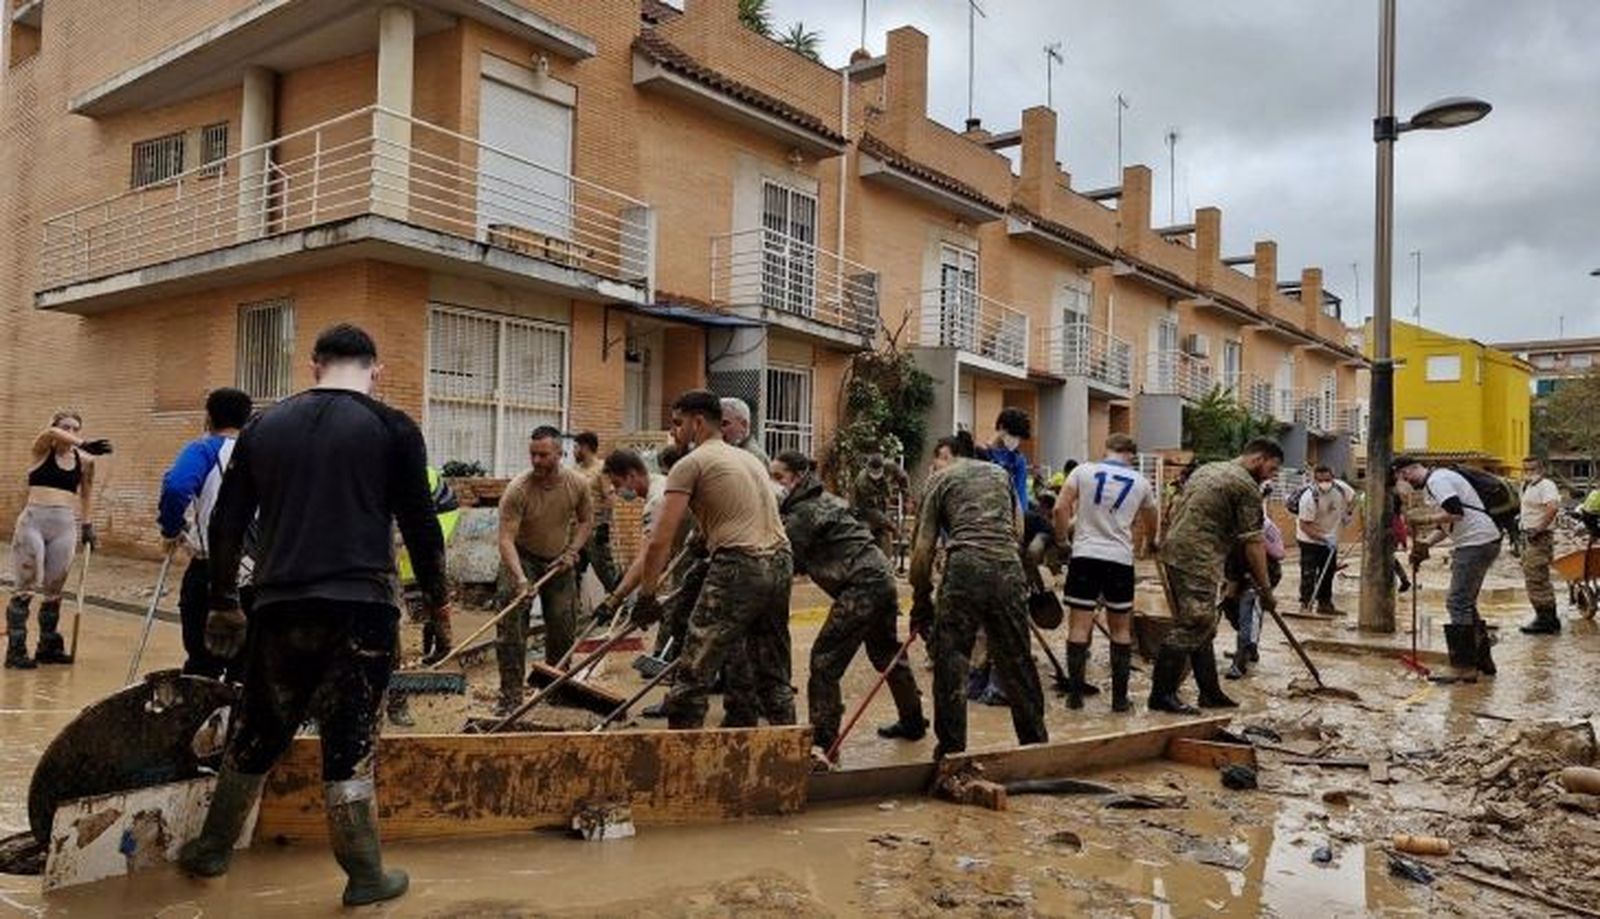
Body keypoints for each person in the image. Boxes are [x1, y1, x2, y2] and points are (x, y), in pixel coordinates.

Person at [182, 324, 447, 906]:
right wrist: (437, 606)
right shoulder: (393, 427)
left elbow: (226, 522)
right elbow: (422, 527)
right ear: (374, 369)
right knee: (349, 741)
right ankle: (365, 875)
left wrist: (224, 601)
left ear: (313, 366)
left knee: (258, 730)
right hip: (362, 610)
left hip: (278, 605)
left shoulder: (263, 426)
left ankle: (212, 851)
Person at [633, 391, 794, 730]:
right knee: (772, 670)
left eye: (678, 424)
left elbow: (659, 540)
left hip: (740, 564)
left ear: (697, 422)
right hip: (780, 562)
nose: (674, 432)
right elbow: (711, 530)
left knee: (693, 671)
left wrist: (646, 597)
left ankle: (682, 765)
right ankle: (785, 755)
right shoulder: (749, 459)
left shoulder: (689, 464)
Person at [771, 451, 925, 760]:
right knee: (887, 653)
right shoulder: (825, 500)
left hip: (861, 585)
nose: (774, 484)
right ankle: (913, 723)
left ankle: (824, 745)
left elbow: (784, 561)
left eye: (779, 477)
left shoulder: (803, 513)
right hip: (880, 577)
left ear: (798, 477)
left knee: (824, 662)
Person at [908, 438, 1048, 759]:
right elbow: (1018, 528)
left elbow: (922, 550)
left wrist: (921, 600)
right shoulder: (1000, 475)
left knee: (951, 660)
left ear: (947, 456)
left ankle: (952, 752)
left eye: (936, 460)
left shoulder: (940, 480)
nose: (933, 467)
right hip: (1007, 566)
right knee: (1017, 659)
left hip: (965, 566)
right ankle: (1036, 746)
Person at [1153, 439, 1283, 714]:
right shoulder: (1245, 486)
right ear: (1258, 459)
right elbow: (1253, 543)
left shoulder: (1208, 469)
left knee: (1204, 625)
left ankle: (1210, 692)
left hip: (1176, 551)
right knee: (1195, 624)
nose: (1273, 475)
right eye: (1272, 468)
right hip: (1197, 558)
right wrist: (1266, 589)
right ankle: (1161, 695)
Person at [1054, 433, 1159, 713]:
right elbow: (1152, 518)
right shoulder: (1141, 482)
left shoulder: (1083, 471)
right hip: (1120, 560)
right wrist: (1151, 541)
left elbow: (1060, 507)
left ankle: (1074, 697)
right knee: (1121, 630)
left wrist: (1063, 540)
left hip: (1085, 556)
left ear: (1107, 449)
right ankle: (1119, 701)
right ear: (1131, 455)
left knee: (1078, 627)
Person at [494, 426, 593, 713]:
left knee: (563, 626)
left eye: (543, 455)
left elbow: (586, 520)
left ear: (560, 454)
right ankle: (510, 696)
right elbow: (505, 539)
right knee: (511, 629)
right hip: (520, 559)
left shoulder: (577, 484)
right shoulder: (518, 489)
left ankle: (555, 689)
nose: (536, 461)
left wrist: (573, 551)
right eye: (532, 454)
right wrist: (522, 579)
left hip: (559, 561)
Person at [157, 388, 253, 680]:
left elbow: (176, 487)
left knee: (203, 659)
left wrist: (171, 529)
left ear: (208, 418)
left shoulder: (204, 449)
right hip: (260, 575)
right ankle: (236, 722)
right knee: (247, 665)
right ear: (248, 419)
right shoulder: (269, 451)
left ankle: (202, 720)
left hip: (210, 570)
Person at [7, 412, 110, 669]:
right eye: (67, 427)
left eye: (76, 428)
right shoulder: (42, 449)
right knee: (26, 585)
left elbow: (86, 495)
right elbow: (50, 433)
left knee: (54, 588)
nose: (71, 432)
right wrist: (82, 441)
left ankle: (48, 645)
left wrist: (87, 525)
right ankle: (16, 650)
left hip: (64, 526)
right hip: (33, 522)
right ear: (56, 428)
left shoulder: (85, 462)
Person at [1396, 456, 1502, 680]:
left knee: (1457, 602)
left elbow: (1455, 512)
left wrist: (1424, 519)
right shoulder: (1435, 483)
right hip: (1480, 540)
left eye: (1403, 476)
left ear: (1409, 471)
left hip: (1476, 542)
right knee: (1466, 603)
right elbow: (1447, 526)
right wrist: (1426, 543)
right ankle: (1482, 660)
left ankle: (1464, 668)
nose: (1404, 482)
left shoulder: (1439, 480)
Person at [1224, 482, 1286, 680]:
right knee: (1232, 610)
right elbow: (1230, 559)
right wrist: (1230, 587)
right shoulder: (1229, 525)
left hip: (1262, 575)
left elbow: (1279, 554)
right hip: (1237, 574)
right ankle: (1250, 647)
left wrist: (1264, 587)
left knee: (1248, 614)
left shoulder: (1264, 526)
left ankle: (1240, 661)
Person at [1294, 465, 1355, 616]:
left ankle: (1325, 604)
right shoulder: (1309, 497)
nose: (1324, 483)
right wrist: (1324, 538)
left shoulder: (1341, 488)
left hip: (1331, 537)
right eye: (1320, 480)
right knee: (1309, 573)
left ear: (1333, 478)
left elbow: (1353, 499)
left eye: (1327, 479)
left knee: (1328, 572)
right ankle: (1305, 605)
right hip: (1308, 539)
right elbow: (1304, 526)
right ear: (1315, 480)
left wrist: (1348, 513)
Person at [572, 431, 621, 595]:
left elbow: (610, 498)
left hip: (596, 530)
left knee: (606, 572)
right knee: (571, 573)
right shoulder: (574, 471)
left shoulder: (602, 469)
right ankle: (573, 613)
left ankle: (618, 607)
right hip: (576, 532)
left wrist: (605, 526)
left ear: (585, 447)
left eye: (576, 447)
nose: (574, 451)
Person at [1517, 457, 1562, 635]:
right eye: (1526, 469)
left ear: (1541, 468)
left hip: (1540, 536)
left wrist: (1539, 528)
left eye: (1533, 468)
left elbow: (1552, 508)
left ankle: (1546, 620)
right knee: (1532, 575)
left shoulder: (1546, 485)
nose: (1529, 472)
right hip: (1528, 535)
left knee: (1537, 577)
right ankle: (1546, 618)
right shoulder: (1527, 486)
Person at [850, 452, 906, 560]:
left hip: (881, 509)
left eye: (878, 472)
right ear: (868, 468)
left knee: (885, 546)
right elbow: (874, 512)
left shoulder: (889, 466)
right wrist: (892, 527)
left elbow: (903, 476)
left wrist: (906, 495)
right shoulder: (863, 482)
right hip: (864, 513)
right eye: (873, 473)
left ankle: (886, 567)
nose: (876, 475)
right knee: (866, 543)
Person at [988, 407, 1032, 510]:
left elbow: (1021, 494)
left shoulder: (1017, 460)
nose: (1016, 440)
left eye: (1019, 437)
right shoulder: (982, 454)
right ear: (1001, 428)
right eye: (1014, 435)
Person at [719, 396, 770, 469]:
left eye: (725, 424)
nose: (720, 429)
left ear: (744, 425)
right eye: (716, 424)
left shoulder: (754, 456)